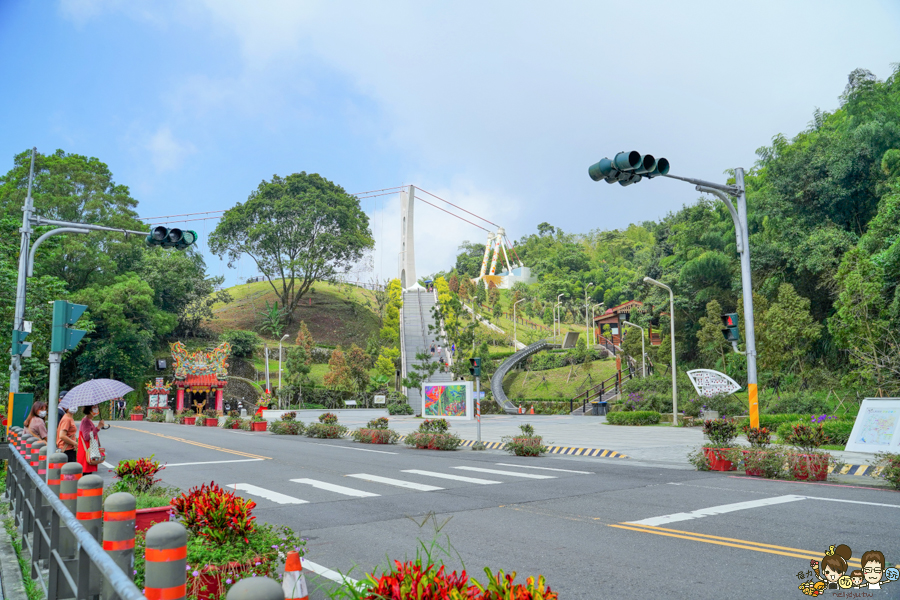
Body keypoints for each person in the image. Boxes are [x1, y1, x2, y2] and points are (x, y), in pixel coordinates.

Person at [77, 405, 108, 474]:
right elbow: (87, 437)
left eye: (97, 407)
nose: (96, 409)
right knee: (86, 475)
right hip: (86, 452)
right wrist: (98, 427)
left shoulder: (88, 420)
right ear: (89, 410)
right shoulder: (86, 421)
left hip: (89, 451)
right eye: (94, 408)